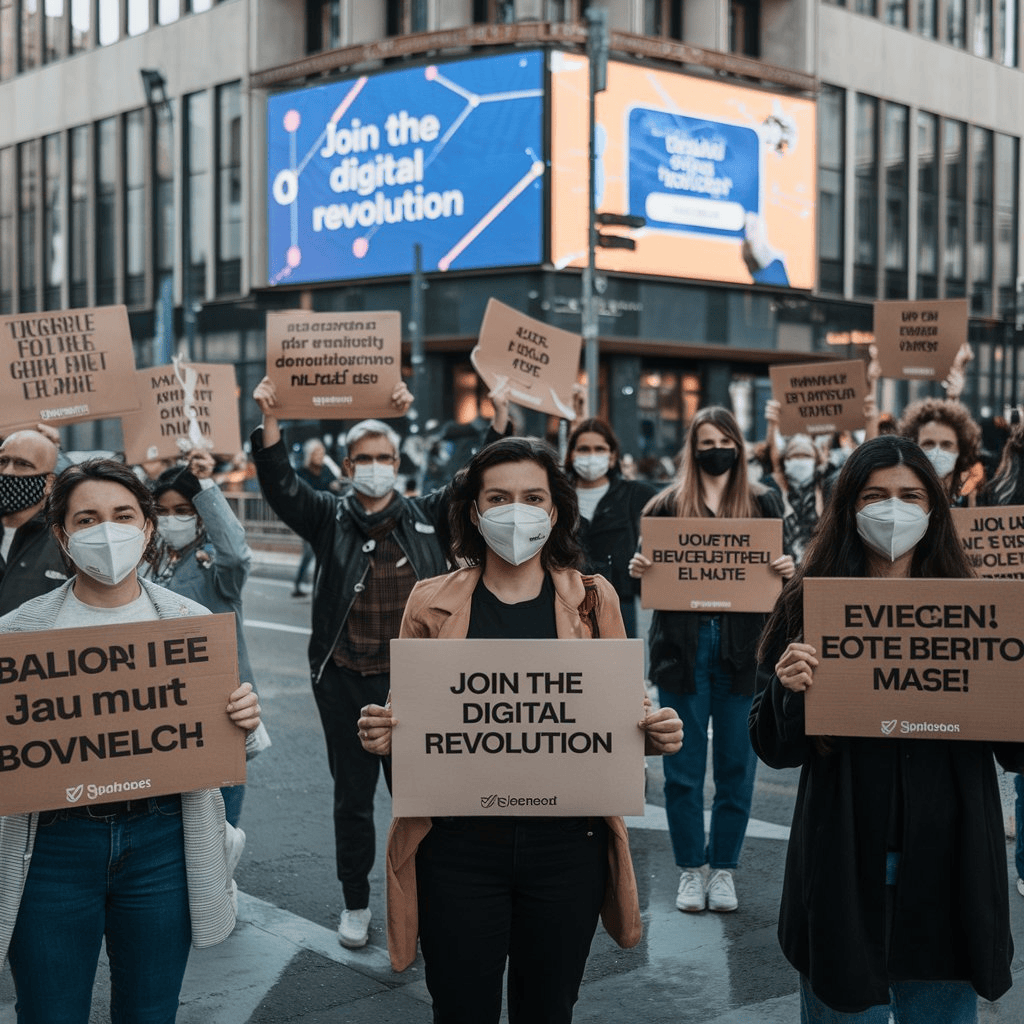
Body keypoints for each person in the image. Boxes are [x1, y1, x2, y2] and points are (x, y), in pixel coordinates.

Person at [357, 436, 682, 1023]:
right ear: (475, 511)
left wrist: (654, 731)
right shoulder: (429, 602)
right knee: (460, 1010)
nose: (517, 510)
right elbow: (412, 719)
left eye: (533, 496)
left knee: (548, 1010)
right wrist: (384, 732)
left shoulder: (591, 599)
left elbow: (620, 714)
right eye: (499, 497)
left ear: (554, 511)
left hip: (567, 851)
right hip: (456, 851)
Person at [750, 435, 1024, 1022]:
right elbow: (772, 747)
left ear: (934, 509)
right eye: (875, 495)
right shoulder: (806, 603)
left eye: (910, 495)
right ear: (849, 506)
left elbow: (1015, 753)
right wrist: (786, 687)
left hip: (949, 876)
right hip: (843, 868)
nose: (892, 509)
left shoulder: (979, 610)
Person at [0, 458, 261, 1022]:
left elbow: (228, 740)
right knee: (49, 1010)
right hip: (52, 848)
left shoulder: (188, 622)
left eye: (122, 515)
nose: (107, 530)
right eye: (87, 519)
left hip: (161, 842)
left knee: (150, 1009)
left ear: (145, 529)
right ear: (64, 537)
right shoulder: (17, 633)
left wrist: (240, 715)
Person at [251, 376, 507, 950]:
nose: (375, 467)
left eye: (384, 457)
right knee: (353, 798)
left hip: (417, 685)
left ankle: (432, 899)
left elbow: (477, 477)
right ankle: (356, 902)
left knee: (424, 798)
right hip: (345, 681)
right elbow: (282, 485)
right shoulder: (328, 516)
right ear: (347, 465)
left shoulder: (428, 514)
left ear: (400, 462)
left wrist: (499, 414)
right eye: (364, 458)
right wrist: (271, 418)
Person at [628, 406, 794, 914]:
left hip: (744, 655)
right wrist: (641, 569)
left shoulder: (765, 505)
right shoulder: (664, 507)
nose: (714, 449)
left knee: (736, 767)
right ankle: (688, 870)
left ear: (739, 448)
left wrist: (788, 569)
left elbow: (777, 583)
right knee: (681, 768)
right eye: (704, 441)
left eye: (724, 440)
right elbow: (649, 589)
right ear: (691, 449)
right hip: (681, 652)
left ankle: (723, 869)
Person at [144, 448, 270, 828]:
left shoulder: (216, 565)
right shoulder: (149, 561)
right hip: (163, 709)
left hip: (217, 709)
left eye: (183, 510)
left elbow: (235, 555)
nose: (172, 519)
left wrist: (206, 487)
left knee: (218, 832)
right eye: (162, 512)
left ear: (200, 516)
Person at [563, 417, 656, 636]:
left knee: (618, 668)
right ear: (572, 455)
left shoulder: (636, 494)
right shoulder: (556, 495)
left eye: (599, 449)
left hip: (619, 603)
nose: (591, 455)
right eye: (584, 449)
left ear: (612, 456)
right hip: (564, 601)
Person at [0, 428, 68, 615]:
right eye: (3, 461)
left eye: (22, 464)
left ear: (48, 484)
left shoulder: (64, 541)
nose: (8, 472)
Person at [898, 397, 982, 505]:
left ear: (960, 449)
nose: (937, 452)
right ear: (913, 447)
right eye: (928, 444)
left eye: (946, 445)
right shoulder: (902, 497)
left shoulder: (973, 497)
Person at [292, 438, 339, 597]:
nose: (321, 455)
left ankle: (322, 587)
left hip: (327, 517)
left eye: (322, 452)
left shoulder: (326, 469)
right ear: (310, 454)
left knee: (328, 553)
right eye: (317, 452)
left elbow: (336, 485)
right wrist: (328, 487)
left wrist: (336, 487)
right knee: (309, 553)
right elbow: (304, 492)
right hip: (310, 518)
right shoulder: (301, 472)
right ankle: (299, 584)